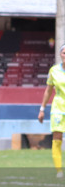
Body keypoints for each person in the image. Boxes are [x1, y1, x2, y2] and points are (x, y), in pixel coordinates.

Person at [38, 44, 65, 178]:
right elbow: (48, 91)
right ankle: (59, 170)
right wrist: (42, 109)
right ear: (61, 54)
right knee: (57, 137)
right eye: (64, 52)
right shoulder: (54, 70)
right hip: (58, 109)